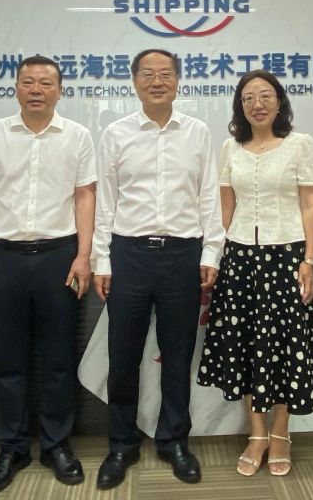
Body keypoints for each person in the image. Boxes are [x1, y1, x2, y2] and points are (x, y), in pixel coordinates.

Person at [92, 49, 224, 490]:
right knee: (123, 356)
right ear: (134, 81)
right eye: (147, 74)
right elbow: (106, 202)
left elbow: (208, 196)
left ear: (178, 80)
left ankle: (174, 441)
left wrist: (210, 253)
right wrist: (102, 259)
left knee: (178, 354)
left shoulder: (197, 132)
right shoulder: (116, 134)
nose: (157, 81)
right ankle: (121, 444)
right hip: (128, 254)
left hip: (182, 255)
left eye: (165, 73)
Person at [0, 55, 96, 494]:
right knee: (8, 360)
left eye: (45, 82)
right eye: (28, 82)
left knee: (58, 360)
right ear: (16, 88)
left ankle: (56, 445)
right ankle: (13, 447)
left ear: (60, 90)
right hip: (4, 257)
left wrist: (83, 255)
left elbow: (85, 196)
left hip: (60, 257)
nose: (36, 89)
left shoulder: (77, 136)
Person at [197, 70, 313, 477]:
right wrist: (214, 256)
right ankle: (256, 434)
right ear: (240, 106)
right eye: (248, 97)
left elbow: (310, 203)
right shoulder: (230, 148)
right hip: (239, 258)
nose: (257, 104)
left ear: (279, 102)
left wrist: (308, 260)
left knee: (287, 347)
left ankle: (281, 433)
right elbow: (225, 207)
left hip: (288, 257)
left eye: (265, 95)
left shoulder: (300, 144)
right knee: (244, 346)